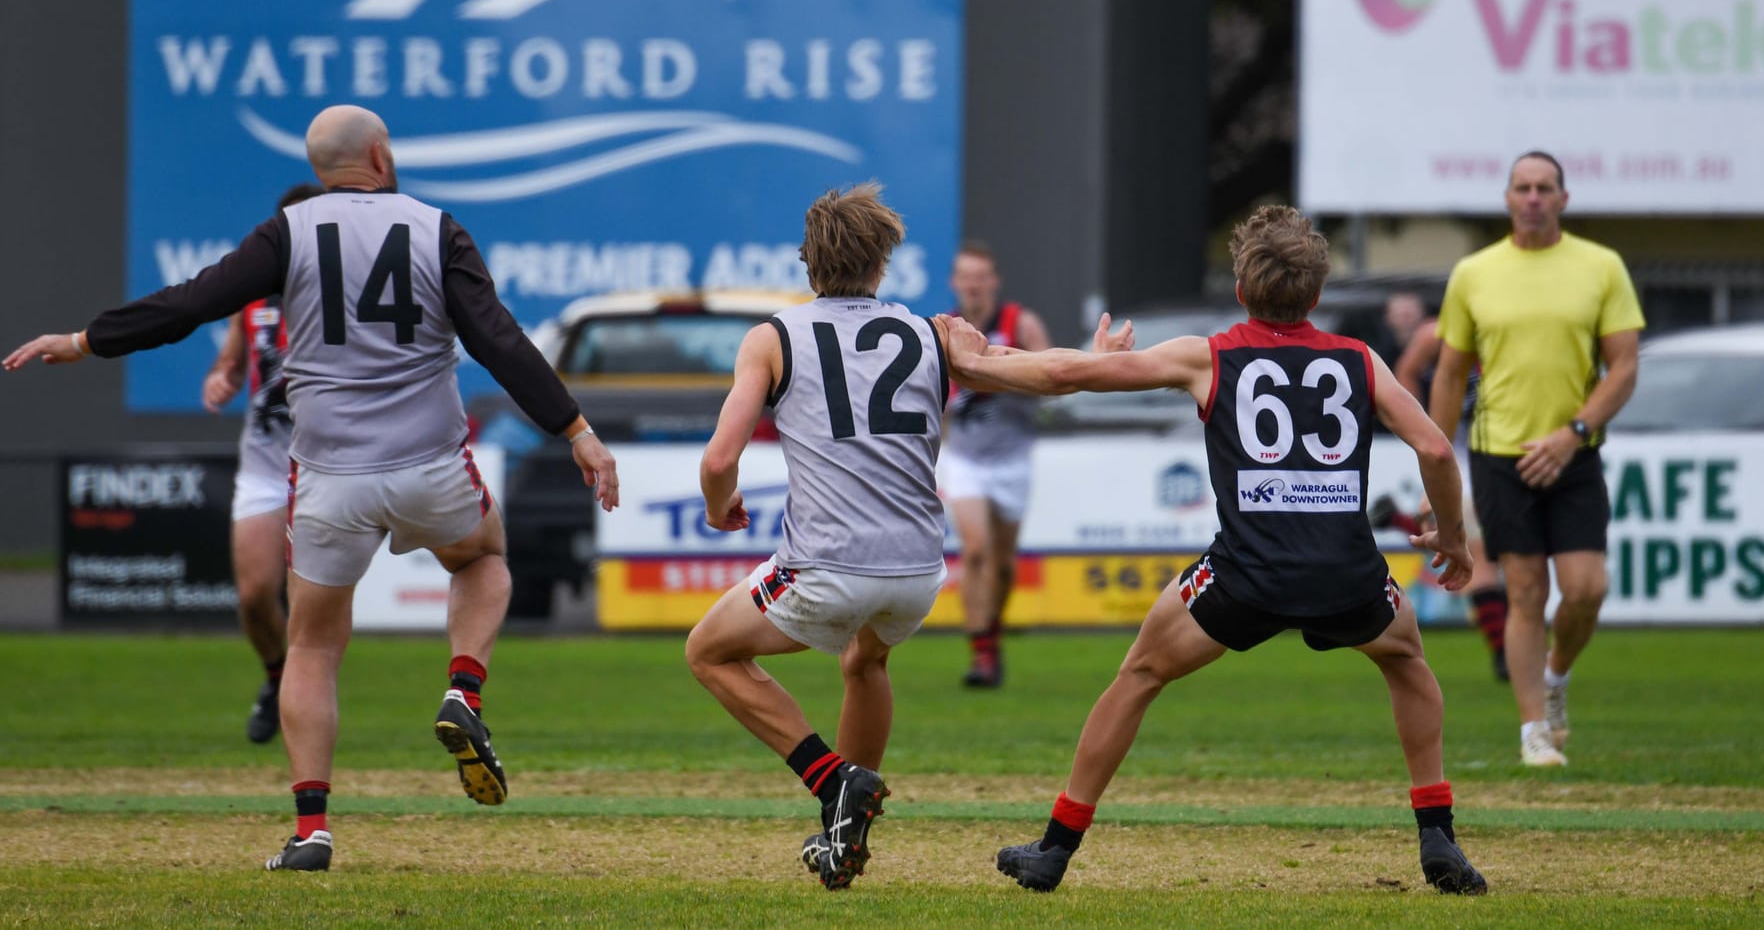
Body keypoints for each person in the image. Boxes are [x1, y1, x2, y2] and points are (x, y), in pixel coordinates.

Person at [3, 105, 619, 872]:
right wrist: (575, 430)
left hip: (328, 478)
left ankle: (311, 830)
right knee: (482, 559)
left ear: (322, 168)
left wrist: (85, 339)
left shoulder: (287, 233)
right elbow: (499, 339)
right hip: (430, 463)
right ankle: (464, 687)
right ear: (383, 158)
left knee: (313, 643)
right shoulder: (436, 228)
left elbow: (193, 300)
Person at [947, 205, 1486, 896]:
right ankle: (1436, 833)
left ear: (1239, 288)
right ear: (1317, 294)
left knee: (1139, 674)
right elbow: (1437, 448)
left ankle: (1055, 847)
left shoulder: (1211, 354)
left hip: (1245, 572)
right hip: (1345, 571)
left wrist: (973, 360)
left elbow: (1062, 378)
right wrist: (1450, 533)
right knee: (1408, 661)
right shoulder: (1358, 359)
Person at [688, 184, 1034, 890]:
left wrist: (721, 505)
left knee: (710, 652)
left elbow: (720, 459)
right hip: (916, 572)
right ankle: (844, 835)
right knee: (865, 663)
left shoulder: (774, 336)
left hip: (824, 565)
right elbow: (1043, 372)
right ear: (883, 263)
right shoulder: (931, 332)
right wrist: (1102, 360)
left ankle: (832, 779)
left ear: (807, 260)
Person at [1428, 151, 1643, 768]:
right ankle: (1533, 733)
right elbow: (1448, 373)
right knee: (1524, 592)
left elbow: (1624, 365)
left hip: (1573, 455)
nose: (1533, 198)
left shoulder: (1600, 267)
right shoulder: (1474, 272)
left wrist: (1573, 432)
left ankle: (1556, 676)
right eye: (1522, 187)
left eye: (1545, 188)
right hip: (1499, 455)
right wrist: (1434, 458)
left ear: (1564, 199)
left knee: (1586, 590)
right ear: (1506, 198)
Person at [199, 182, 323, 744]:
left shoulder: (344, 295)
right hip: (265, 459)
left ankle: (306, 704)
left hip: (325, 465)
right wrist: (222, 377)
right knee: (254, 594)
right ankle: (277, 678)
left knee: (307, 603)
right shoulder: (253, 300)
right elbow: (231, 360)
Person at [938, 241, 1051, 687]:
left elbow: (1052, 375)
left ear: (994, 282)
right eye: (966, 276)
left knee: (1003, 565)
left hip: (1012, 456)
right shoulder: (944, 330)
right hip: (965, 457)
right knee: (977, 549)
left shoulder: (1020, 324)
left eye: (981, 276)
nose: (973, 285)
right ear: (955, 282)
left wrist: (1001, 375)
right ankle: (980, 653)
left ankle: (992, 635)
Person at [1394, 308, 1510, 682]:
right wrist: (1418, 421)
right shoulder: (1436, 335)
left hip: (1503, 455)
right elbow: (1406, 371)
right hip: (1458, 459)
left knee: (1502, 560)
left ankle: (1509, 648)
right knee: (1480, 556)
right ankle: (1504, 651)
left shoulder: (1511, 332)